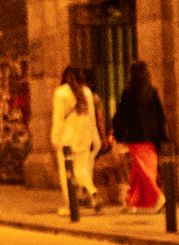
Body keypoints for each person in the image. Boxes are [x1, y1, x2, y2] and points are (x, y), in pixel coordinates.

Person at [111, 59, 169, 212]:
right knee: (139, 169)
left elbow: (123, 115)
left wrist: (118, 134)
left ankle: (158, 197)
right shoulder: (152, 92)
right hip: (151, 137)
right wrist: (162, 135)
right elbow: (160, 115)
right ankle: (132, 202)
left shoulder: (128, 93)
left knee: (143, 170)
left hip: (136, 137)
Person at [51, 65, 103, 210]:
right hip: (84, 137)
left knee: (66, 173)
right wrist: (95, 137)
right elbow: (91, 118)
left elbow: (58, 118)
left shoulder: (61, 93)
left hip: (66, 139)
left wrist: (55, 138)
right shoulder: (87, 92)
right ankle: (93, 192)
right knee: (81, 171)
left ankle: (71, 206)